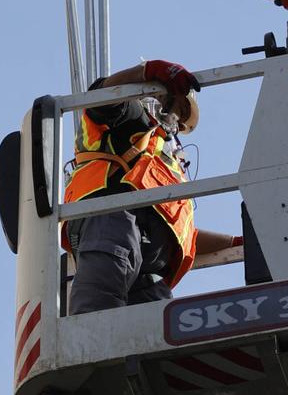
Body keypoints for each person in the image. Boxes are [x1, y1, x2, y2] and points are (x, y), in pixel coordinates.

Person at [63, 59, 240, 314]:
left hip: (153, 266)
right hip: (112, 222)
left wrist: (234, 242)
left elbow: (185, 234)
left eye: (181, 116)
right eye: (172, 105)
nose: (175, 120)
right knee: (98, 317)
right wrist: (146, 71)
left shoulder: (167, 163)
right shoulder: (130, 119)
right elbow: (100, 98)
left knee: (153, 334)